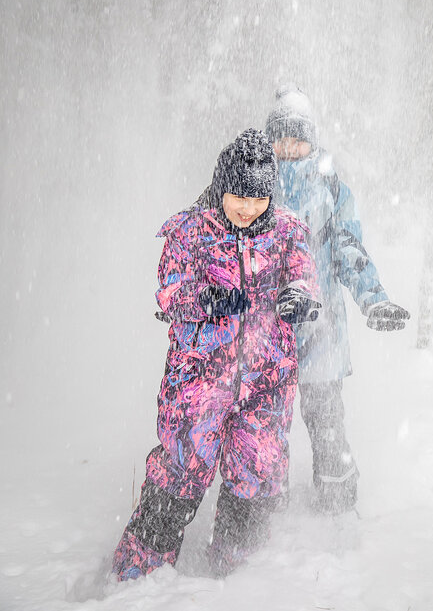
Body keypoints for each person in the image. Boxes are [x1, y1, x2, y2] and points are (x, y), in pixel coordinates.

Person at [111, 129, 319, 581]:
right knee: (180, 472)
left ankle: (237, 578)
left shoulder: (288, 232)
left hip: (266, 385)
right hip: (198, 385)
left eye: (259, 197)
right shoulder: (190, 230)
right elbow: (169, 293)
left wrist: (301, 296)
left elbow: (304, 276)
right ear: (220, 185)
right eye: (238, 196)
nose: (248, 207)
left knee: (257, 470)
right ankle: (136, 579)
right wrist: (205, 301)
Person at [265, 86, 410, 515]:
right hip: (267, 335)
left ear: (312, 139)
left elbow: (350, 251)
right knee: (263, 428)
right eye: (281, 138)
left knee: (326, 423)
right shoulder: (255, 188)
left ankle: (338, 507)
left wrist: (374, 299)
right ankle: (261, 510)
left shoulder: (331, 191)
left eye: (298, 138)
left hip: (321, 335)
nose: (290, 147)